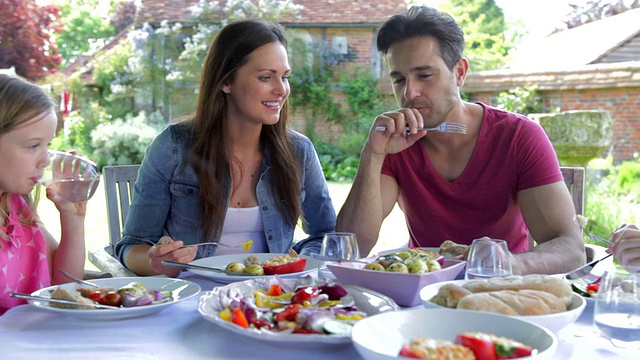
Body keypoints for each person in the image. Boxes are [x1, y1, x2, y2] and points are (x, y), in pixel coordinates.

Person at [335, 6, 585, 275]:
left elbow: (570, 248)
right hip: (421, 293)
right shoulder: (395, 143)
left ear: (460, 72)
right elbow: (353, 247)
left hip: (501, 289)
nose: (410, 92)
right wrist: (372, 154)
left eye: (424, 75)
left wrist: (510, 263)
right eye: (399, 80)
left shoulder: (518, 136)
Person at [114, 19, 336, 277]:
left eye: (284, 77)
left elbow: (326, 235)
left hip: (270, 299)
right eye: (266, 77)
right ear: (225, 82)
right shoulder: (173, 147)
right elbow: (131, 245)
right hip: (192, 297)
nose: (281, 90)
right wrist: (156, 260)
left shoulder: (299, 151)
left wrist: (301, 261)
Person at [0, 74, 88, 315]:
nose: (46, 160)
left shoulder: (17, 207)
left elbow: (65, 287)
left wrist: (72, 218)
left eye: (47, 145)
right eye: (33, 145)